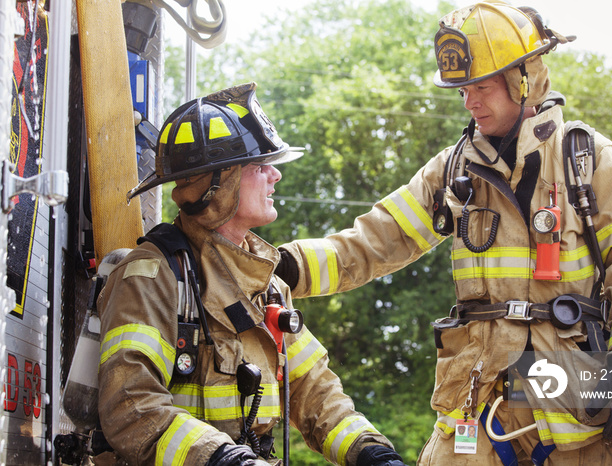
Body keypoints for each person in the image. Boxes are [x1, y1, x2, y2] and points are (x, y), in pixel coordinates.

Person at [274, 2, 612, 464]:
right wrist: (280, 266)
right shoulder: (452, 170)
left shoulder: (588, 160)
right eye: (463, 90)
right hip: (476, 404)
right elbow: (374, 241)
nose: (469, 101)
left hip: (577, 410)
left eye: (481, 86)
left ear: (525, 79)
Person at [97, 82, 407, 466]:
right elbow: (131, 404)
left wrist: (371, 451)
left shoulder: (269, 286)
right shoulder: (152, 277)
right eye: (261, 165)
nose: (275, 175)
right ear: (220, 184)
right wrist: (221, 459)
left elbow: (314, 391)